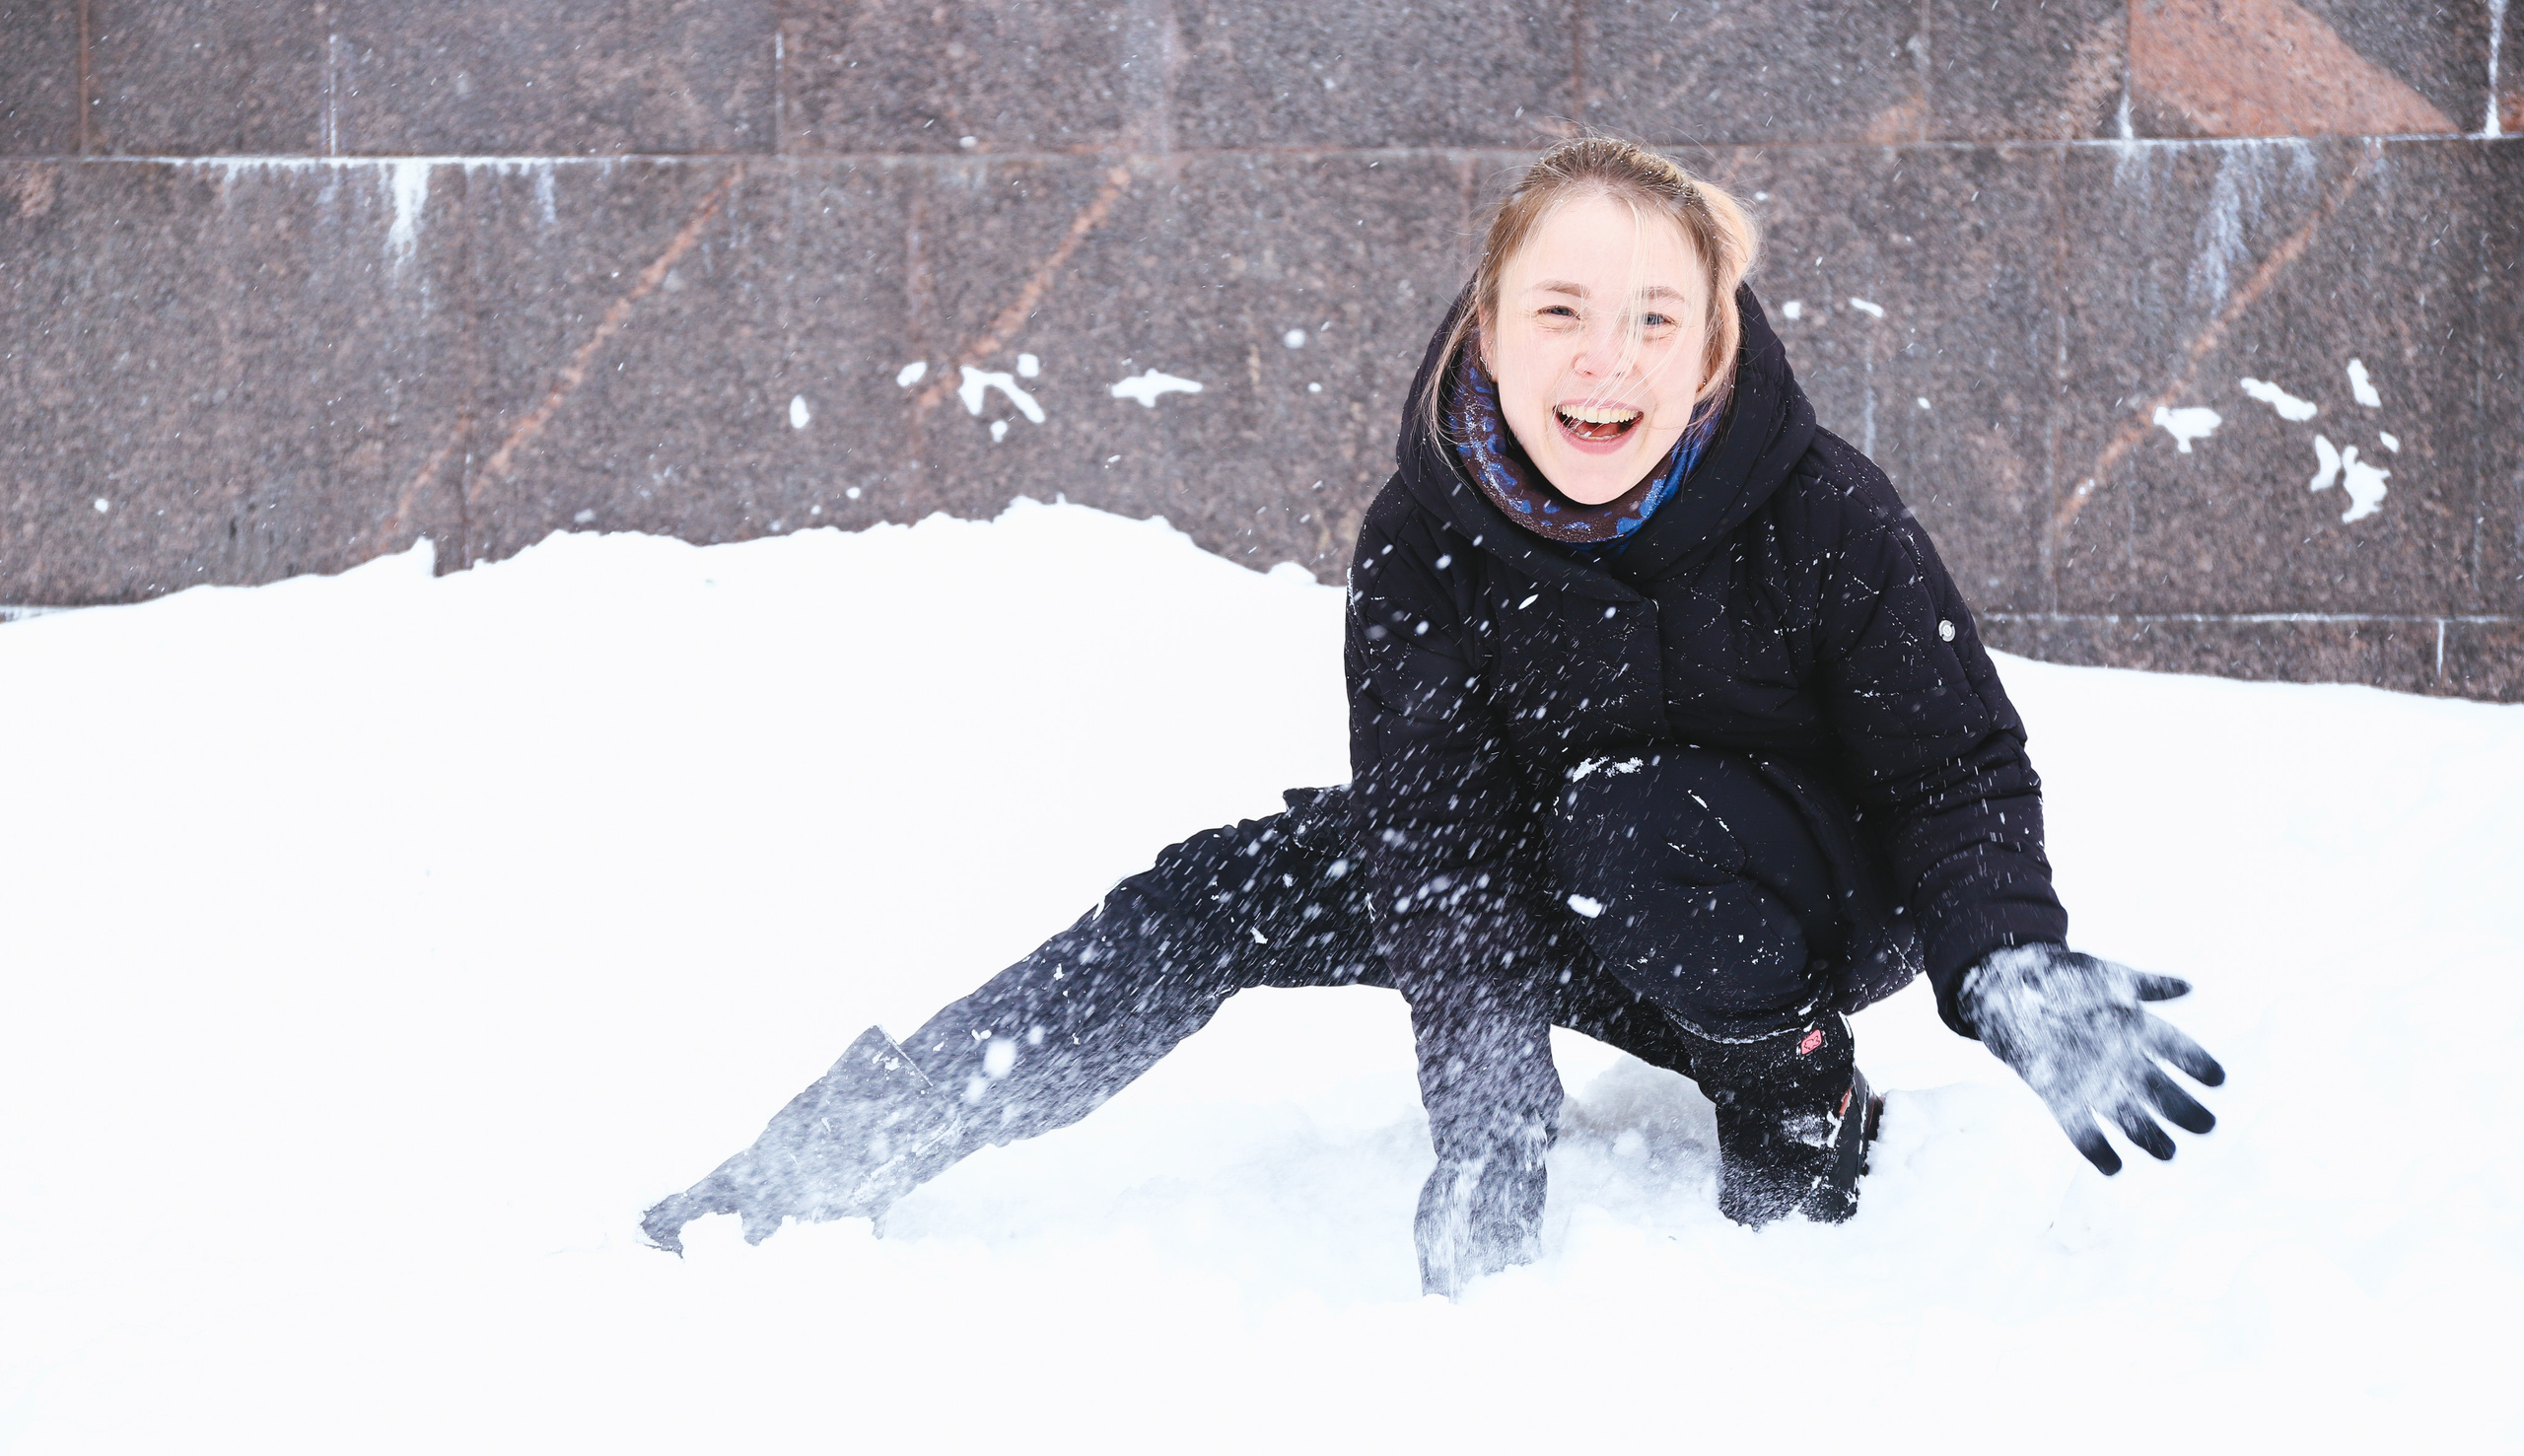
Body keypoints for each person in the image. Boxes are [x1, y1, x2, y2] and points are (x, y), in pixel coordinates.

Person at [641, 137, 2224, 1296]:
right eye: (1563, 311)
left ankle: (1794, 1094)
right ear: (1488, 319)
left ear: (1715, 338)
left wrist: (2005, 952)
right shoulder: (1427, 532)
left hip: (1802, 897)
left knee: (1633, 817)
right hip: (1571, 871)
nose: (1609, 358)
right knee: (1219, 887)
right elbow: (1440, 839)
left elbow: (1949, 766)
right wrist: (1489, 1119)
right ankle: (864, 1140)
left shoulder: (1824, 508)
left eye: (1658, 318)